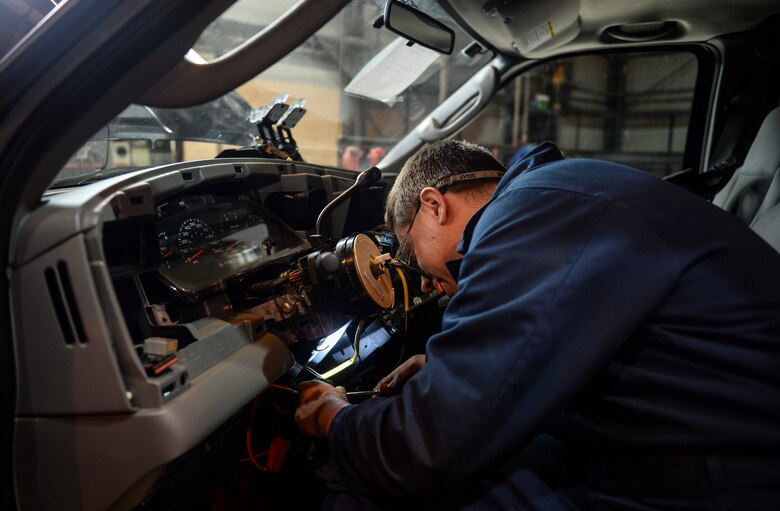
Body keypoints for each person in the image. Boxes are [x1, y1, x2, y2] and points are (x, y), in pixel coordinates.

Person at [295, 140, 780, 510]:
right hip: (715, 439)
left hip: (725, 478)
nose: (424, 285)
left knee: (375, 481)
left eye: (409, 254)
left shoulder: (527, 217)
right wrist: (443, 369)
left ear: (434, 205)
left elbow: (430, 446)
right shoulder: (556, 194)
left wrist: (335, 419)